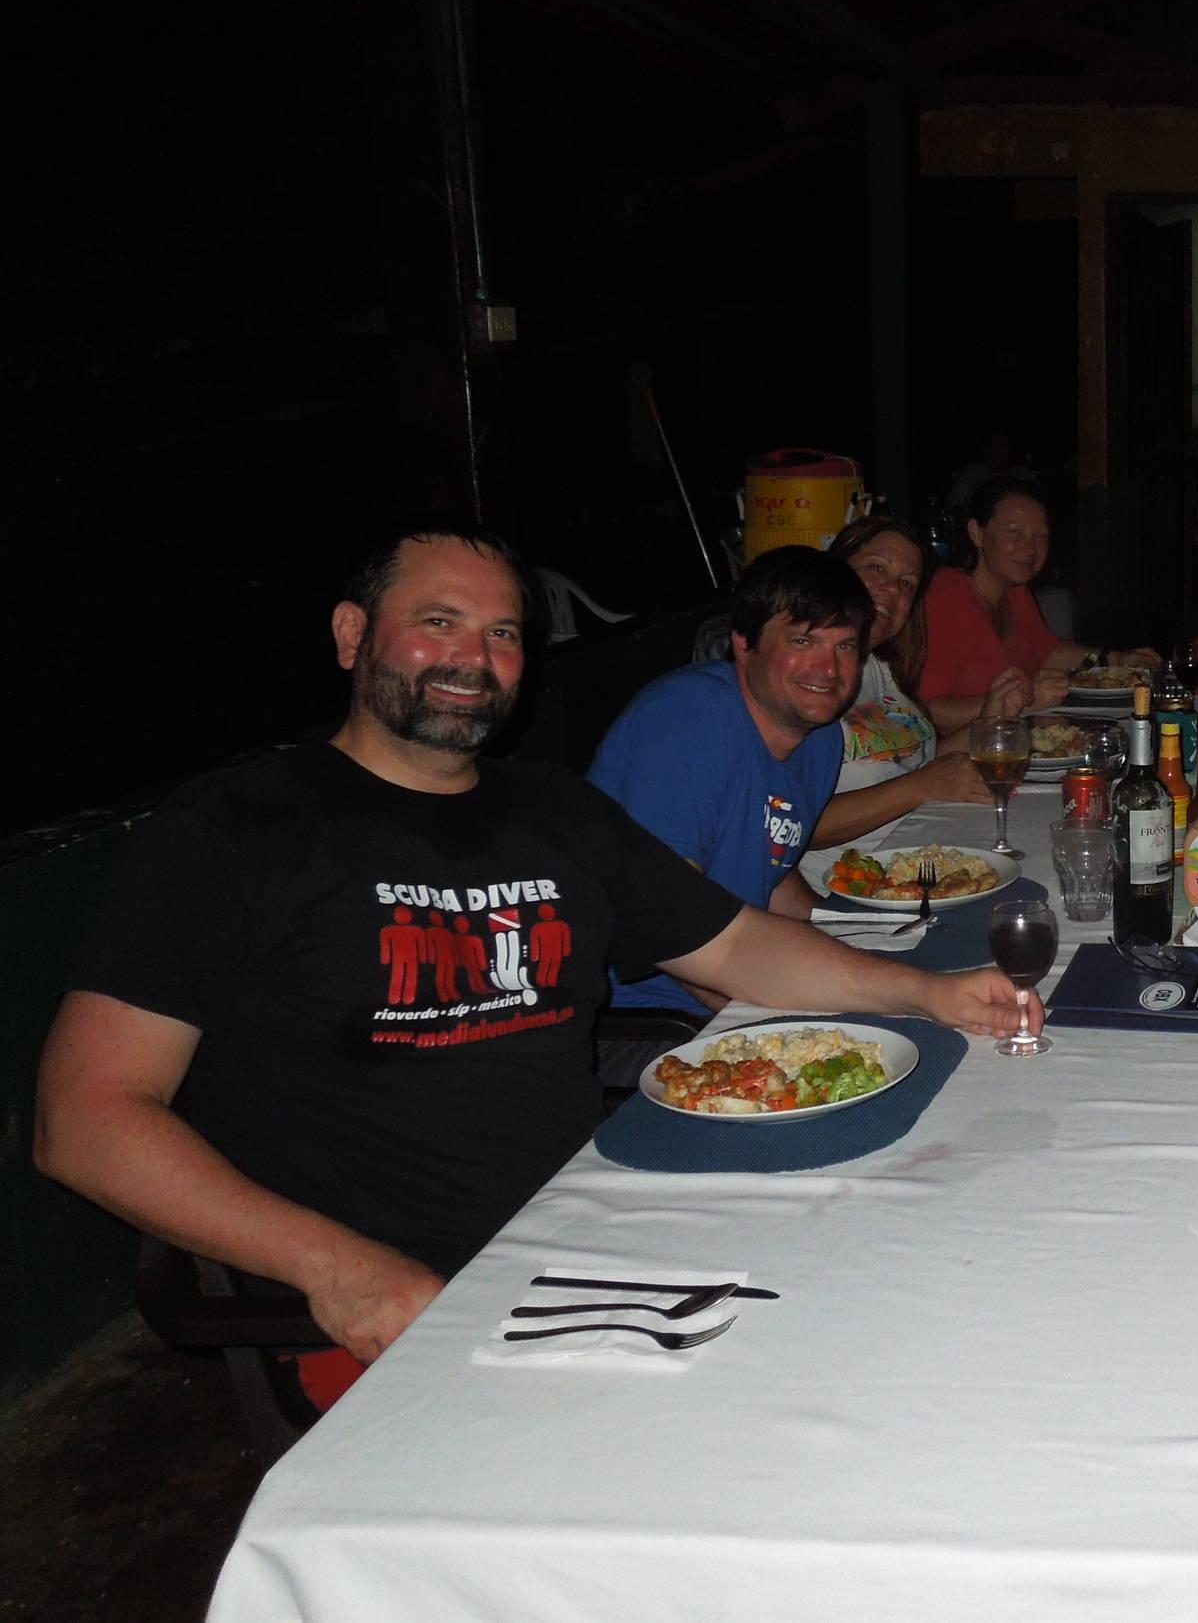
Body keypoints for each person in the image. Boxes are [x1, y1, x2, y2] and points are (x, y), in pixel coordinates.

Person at [33, 516, 1030, 1397]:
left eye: (502, 633)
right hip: (404, 1305)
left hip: (593, 1235)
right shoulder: (234, 828)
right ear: (350, 635)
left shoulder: (552, 812)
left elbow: (738, 946)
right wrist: (336, 1268)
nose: (474, 656)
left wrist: (930, 993)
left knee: (920, 1290)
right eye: (439, 621)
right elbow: (84, 1117)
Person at [588, 546, 865, 1017]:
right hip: (643, 1014)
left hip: (737, 978)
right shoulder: (687, 719)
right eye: (803, 641)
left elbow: (770, 873)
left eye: (846, 646)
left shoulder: (821, 738)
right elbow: (662, 917)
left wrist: (852, 932)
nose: (828, 669)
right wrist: (758, 1024)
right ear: (743, 642)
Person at [803, 515, 1022, 860]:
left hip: (928, 859)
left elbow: (912, 763)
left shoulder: (884, 668)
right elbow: (795, 824)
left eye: (907, 584)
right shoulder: (806, 679)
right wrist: (920, 787)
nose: (892, 588)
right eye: (876, 568)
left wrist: (990, 718)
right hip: (851, 879)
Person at [918, 476, 1156, 718]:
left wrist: (1118, 660)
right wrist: (1026, 700)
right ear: (976, 533)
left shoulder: (1014, 591)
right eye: (1015, 533)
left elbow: (1048, 653)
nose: (1030, 548)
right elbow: (928, 712)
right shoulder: (947, 596)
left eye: (1041, 537)